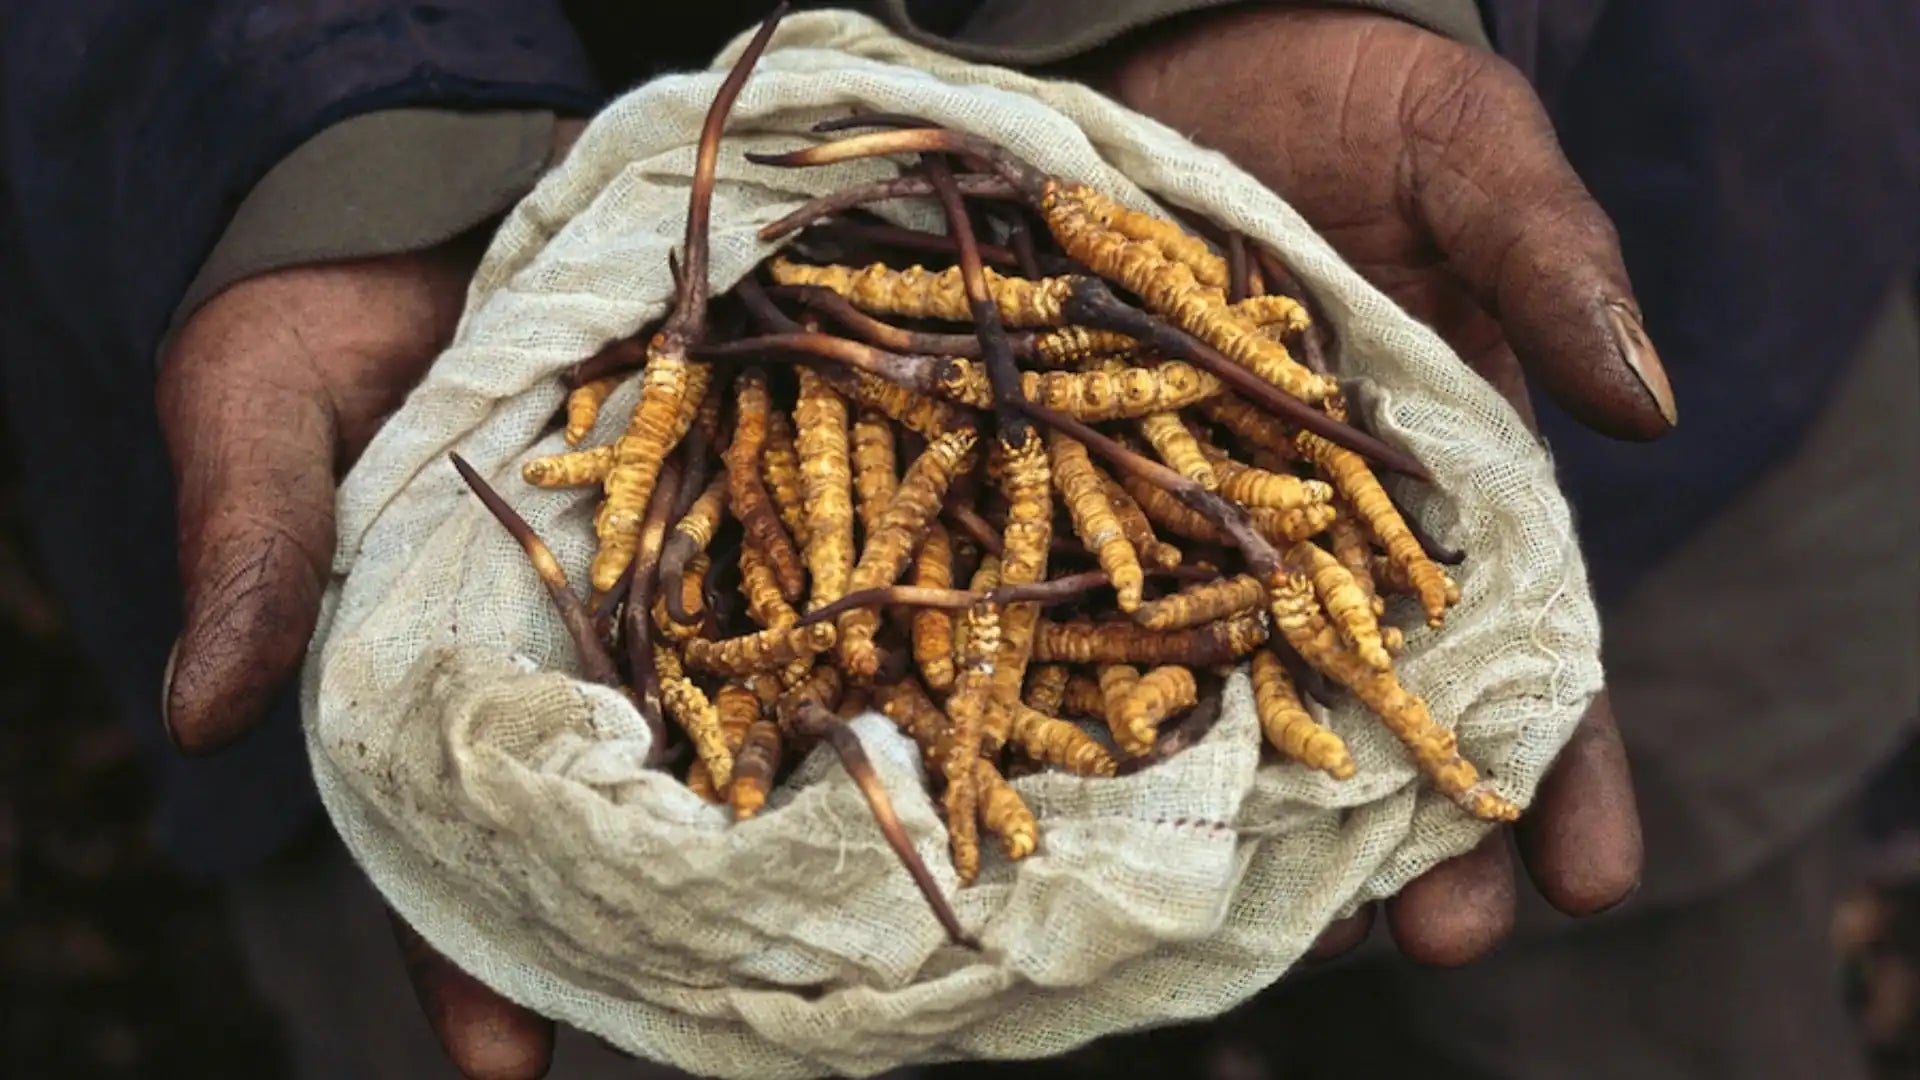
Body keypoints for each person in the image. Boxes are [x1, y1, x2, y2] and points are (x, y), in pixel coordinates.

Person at [0, 1, 1912, 1077]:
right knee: (622, 980)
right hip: (355, 188)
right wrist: (318, 131)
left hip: (1685, 321)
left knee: (1617, 1011)